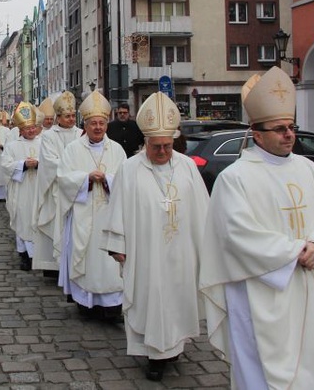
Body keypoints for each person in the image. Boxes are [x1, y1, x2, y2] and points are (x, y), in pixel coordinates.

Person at [199, 66, 314, 389]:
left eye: (291, 127)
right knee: (261, 372)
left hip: (307, 285)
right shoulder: (235, 178)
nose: (289, 134)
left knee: (311, 363)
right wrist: (296, 251)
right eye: (279, 129)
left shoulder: (308, 168)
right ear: (257, 132)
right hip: (258, 292)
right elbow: (236, 234)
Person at [103, 92, 209, 381]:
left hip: (181, 251)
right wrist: (117, 246)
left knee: (177, 299)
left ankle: (173, 347)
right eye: (156, 146)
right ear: (145, 143)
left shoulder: (186, 166)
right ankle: (154, 355)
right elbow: (118, 210)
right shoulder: (129, 169)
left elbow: (202, 208)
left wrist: (207, 247)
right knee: (150, 299)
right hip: (145, 251)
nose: (162, 152)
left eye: (167, 146)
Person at [57, 91, 126, 320]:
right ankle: (86, 303)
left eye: (102, 123)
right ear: (84, 124)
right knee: (87, 257)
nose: (98, 127)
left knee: (109, 263)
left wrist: (108, 179)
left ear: (107, 123)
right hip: (83, 215)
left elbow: (126, 180)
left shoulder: (116, 149)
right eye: (93, 123)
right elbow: (63, 178)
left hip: (110, 214)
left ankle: (112, 305)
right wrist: (86, 178)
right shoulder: (73, 150)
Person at [33, 92, 81, 275]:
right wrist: (73, 170)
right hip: (57, 188)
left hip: (76, 188)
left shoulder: (81, 134)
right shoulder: (49, 136)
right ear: (58, 117)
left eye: (72, 115)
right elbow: (49, 162)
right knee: (56, 225)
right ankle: (54, 265)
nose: (71, 119)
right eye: (67, 116)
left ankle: (72, 263)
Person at [1, 102, 41, 271]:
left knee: (38, 220)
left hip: (40, 189)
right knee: (22, 220)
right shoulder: (12, 146)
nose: (30, 131)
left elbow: (54, 163)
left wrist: (39, 164)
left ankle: (39, 255)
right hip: (21, 189)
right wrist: (23, 165)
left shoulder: (45, 143)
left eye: (33, 127)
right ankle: (24, 255)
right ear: (20, 130)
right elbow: (5, 165)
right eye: (27, 128)